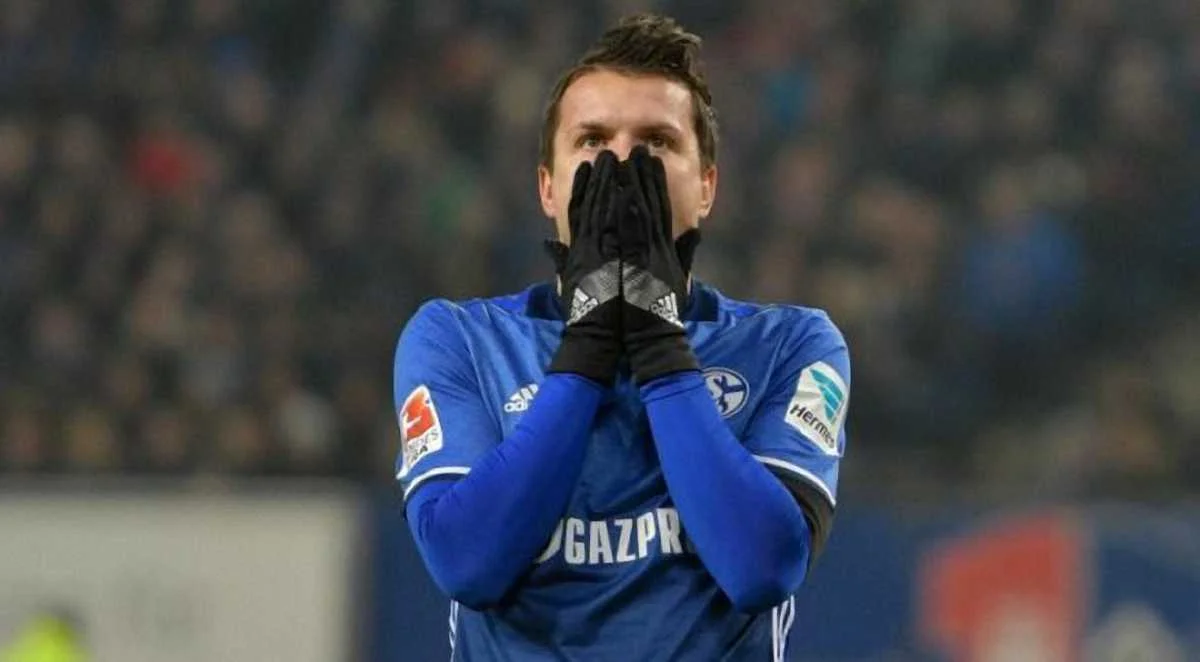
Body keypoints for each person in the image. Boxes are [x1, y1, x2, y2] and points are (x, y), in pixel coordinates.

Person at [394, 13, 850, 661]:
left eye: (657, 142)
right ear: (548, 188)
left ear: (707, 186)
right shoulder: (458, 340)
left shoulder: (791, 345)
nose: (622, 164)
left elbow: (761, 569)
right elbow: (467, 563)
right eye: (593, 140)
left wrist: (657, 336)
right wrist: (588, 341)